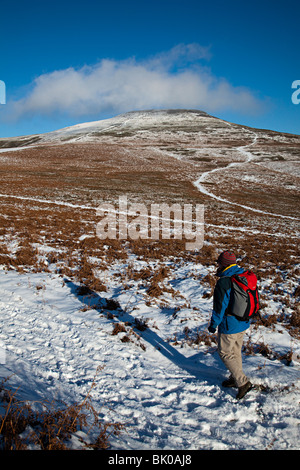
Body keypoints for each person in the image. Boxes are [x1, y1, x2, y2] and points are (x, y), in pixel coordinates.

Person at [208, 250, 252, 399]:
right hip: (243, 321)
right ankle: (235, 377)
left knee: (225, 352)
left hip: (230, 324)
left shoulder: (224, 282)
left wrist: (213, 324)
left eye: (219, 262)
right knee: (235, 351)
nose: (217, 264)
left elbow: (219, 307)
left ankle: (242, 382)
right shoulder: (241, 275)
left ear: (223, 264)